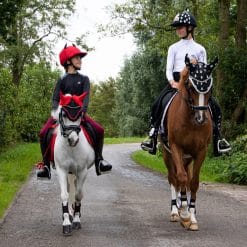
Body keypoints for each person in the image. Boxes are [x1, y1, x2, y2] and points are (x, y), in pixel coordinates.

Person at [141, 10, 231, 156]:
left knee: (215, 107)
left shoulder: (200, 49)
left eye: (180, 27)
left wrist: (201, 84)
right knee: (157, 103)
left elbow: (205, 70)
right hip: (176, 82)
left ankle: (218, 139)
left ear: (190, 28)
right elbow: (168, 69)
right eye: (177, 27)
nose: (178, 30)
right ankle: (152, 135)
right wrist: (172, 82)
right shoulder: (173, 48)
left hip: (195, 85)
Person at [37, 44, 112, 179]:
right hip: (63, 114)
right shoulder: (62, 80)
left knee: (99, 130)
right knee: (43, 133)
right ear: (68, 62)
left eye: (80, 58)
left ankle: (99, 160)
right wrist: (56, 111)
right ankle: (46, 166)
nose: (80, 60)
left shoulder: (84, 79)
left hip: (79, 114)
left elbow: (86, 97)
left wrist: (83, 110)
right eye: (76, 58)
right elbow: (55, 98)